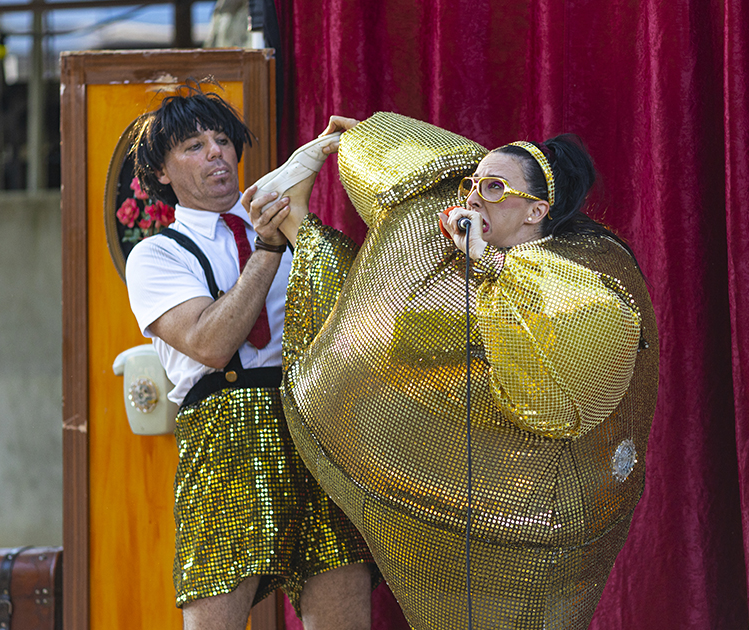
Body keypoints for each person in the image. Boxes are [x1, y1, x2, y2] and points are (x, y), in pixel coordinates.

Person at [259, 112, 659, 630]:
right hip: (465, 513)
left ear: (537, 210)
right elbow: (376, 325)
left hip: (545, 524)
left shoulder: (587, 268)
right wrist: (351, 147)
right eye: (471, 184)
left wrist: (485, 262)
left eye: (494, 188)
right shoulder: (453, 266)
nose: (472, 196)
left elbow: (567, 384)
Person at [123, 88, 373, 630]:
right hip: (224, 433)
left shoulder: (289, 221)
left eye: (222, 141)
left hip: (314, 424)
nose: (216, 153)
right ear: (162, 172)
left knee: (344, 612)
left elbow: (363, 312)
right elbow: (211, 343)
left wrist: (350, 155)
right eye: (194, 145)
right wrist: (266, 250)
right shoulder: (156, 254)